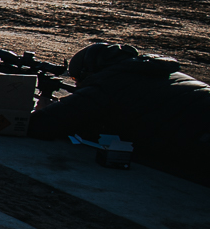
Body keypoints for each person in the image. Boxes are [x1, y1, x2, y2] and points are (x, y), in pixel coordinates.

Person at [28, 42, 210, 180]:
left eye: (76, 78)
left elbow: (44, 124)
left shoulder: (109, 83)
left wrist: (44, 108)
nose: (77, 84)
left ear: (88, 72)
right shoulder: (157, 70)